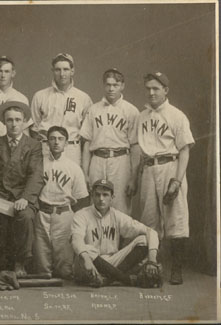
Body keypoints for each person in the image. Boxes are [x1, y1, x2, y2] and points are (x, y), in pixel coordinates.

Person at [138, 72, 194, 285]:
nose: (151, 92)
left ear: (166, 90)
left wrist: (177, 181)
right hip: (149, 168)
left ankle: (176, 269)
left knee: (176, 219)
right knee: (149, 220)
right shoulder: (142, 116)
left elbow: (185, 150)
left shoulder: (176, 115)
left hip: (171, 166)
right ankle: (153, 267)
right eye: (148, 88)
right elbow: (138, 150)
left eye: (156, 88)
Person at [0, 101, 44, 276]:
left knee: (26, 216)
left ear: (24, 122)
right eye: (9, 120)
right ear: (4, 122)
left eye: (17, 120)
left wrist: (26, 198)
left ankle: (20, 263)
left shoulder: (34, 145)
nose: (14, 124)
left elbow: (35, 175)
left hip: (22, 196)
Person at [71, 179, 160, 287]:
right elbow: (76, 240)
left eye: (105, 195)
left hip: (112, 262)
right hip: (87, 264)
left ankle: (106, 279)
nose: (101, 199)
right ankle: (126, 279)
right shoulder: (81, 214)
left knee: (144, 239)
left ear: (112, 197)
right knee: (86, 249)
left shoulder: (117, 215)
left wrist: (152, 260)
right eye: (97, 195)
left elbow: (151, 232)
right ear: (92, 196)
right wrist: (86, 259)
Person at [80, 68, 140, 214]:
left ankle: (119, 238)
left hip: (120, 160)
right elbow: (87, 142)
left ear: (122, 86)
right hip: (97, 159)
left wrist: (133, 178)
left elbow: (135, 146)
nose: (111, 88)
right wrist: (85, 173)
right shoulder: (93, 109)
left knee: (120, 206)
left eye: (115, 85)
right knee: (95, 204)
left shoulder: (131, 111)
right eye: (108, 85)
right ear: (103, 85)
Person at [34, 126, 89, 279]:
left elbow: (82, 199)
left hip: (64, 214)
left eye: (60, 139)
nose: (56, 142)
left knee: (64, 270)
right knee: (42, 269)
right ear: (47, 142)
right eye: (52, 138)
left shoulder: (74, 167)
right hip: (42, 212)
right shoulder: (38, 163)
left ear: (66, 143)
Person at [31, 53, 93, 165]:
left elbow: (87, 132)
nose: (62, 74)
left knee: (71, 180)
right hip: (46, 148)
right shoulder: (40, 96)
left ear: (72, 71)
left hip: (72, 148)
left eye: (66, 69)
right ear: (52, 71)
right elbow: (34, 130)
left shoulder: (83, 98)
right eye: (57, 70)